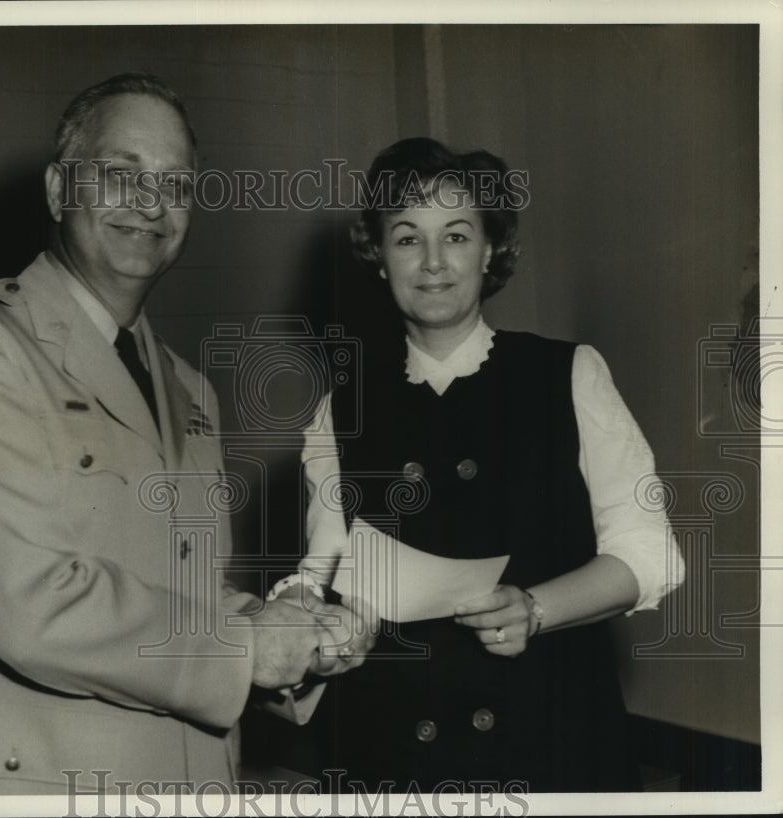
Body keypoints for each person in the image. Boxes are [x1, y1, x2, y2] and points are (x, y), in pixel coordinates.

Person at [0, 73, 371, 796]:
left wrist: (296, 632)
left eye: (175, 183)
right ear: (58, 190)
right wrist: (248, 649)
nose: (150, 203)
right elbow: (31, 604)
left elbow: (181, 594)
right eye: (122, 175)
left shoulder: (187, 387)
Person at [287, 137, 685, 792]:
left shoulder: (569, 374)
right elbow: (325, 565)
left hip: (551, 740)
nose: (434, 262)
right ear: (379, 257)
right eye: (408, 238)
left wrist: (533, 608)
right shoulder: (342, 405)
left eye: (458, 235)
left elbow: (651, 554)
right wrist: (317, 623)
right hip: (394, 752)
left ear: (491, 249)